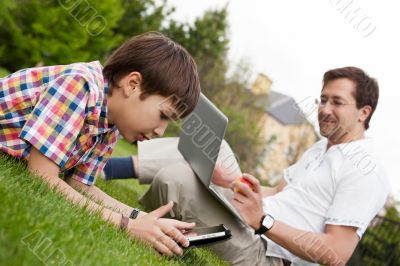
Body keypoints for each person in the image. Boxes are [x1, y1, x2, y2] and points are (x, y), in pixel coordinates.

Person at [103, 66, 389, 265]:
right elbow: (276, 193)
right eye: (323, 99)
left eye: (337, 102)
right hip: (253, 224)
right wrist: (231, 182)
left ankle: (124, 194)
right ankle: (106, 167)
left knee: (177, 176)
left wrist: (264, 223)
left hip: (267, 253)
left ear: (364, 112)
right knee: (211, 147)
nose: (325, 109)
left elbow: (336, 254)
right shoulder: (320, 149)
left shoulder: (365, 169)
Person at [0, 32, 201, 256]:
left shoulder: (110, 122)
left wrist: (142, 218)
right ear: (133, 84)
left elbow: (80, 185)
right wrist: (127, 226)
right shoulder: (79, 85)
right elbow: (41, 175)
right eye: (164, 115)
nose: (160, 131)